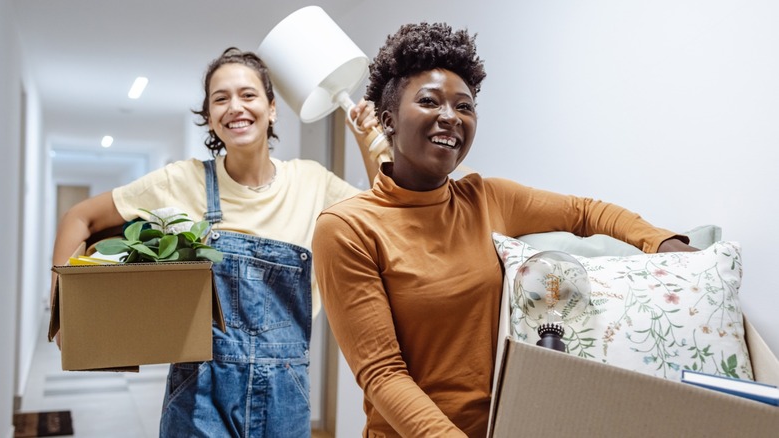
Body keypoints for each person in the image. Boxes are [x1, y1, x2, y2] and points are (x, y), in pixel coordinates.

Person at [311, 23, 697, 437]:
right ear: (387, 120)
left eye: (464, 107)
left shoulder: (487, 198)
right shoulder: (347, 228)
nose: (450, 117)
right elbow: (383, 374)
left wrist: (662, 242)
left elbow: (585, 212)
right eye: (429, 102)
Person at [50, 47, 380, 437]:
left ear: (272, 108)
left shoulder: (312, 182)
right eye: (220, 99)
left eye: (248, 95)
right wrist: (65, 318)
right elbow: (79, 218)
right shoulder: (181, 181)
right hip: (199, 393)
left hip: (285, 394)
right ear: (209, 118)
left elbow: (385, 218)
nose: (235, 107)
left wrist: (367, 141)